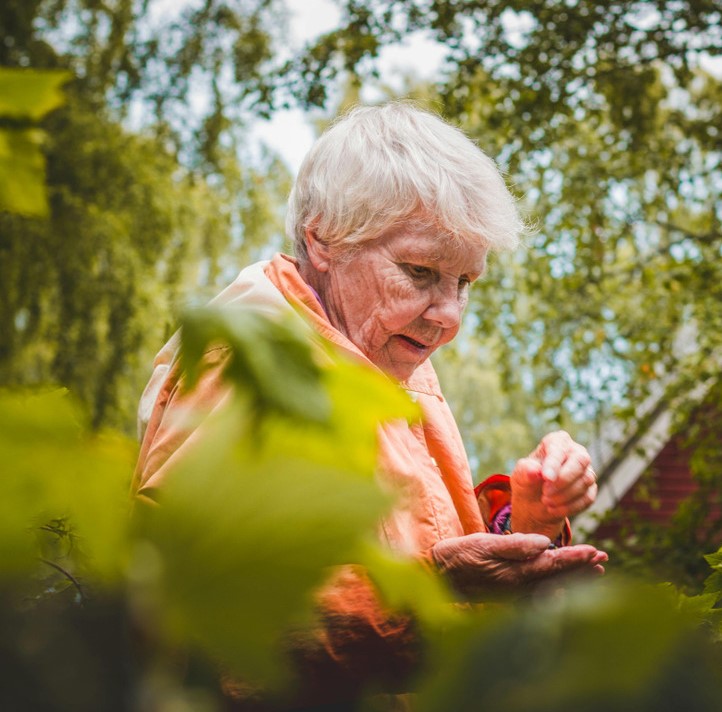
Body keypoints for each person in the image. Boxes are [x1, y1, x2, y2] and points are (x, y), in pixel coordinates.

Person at [132, 102, 606, 708]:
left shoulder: (383, 355)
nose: (449, 316)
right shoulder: (249, 366)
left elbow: (417, 548)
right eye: (420, 271)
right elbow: (192, 621)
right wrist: (431, 593)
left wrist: (525, 521)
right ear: (322, 239)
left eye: (465, 283)